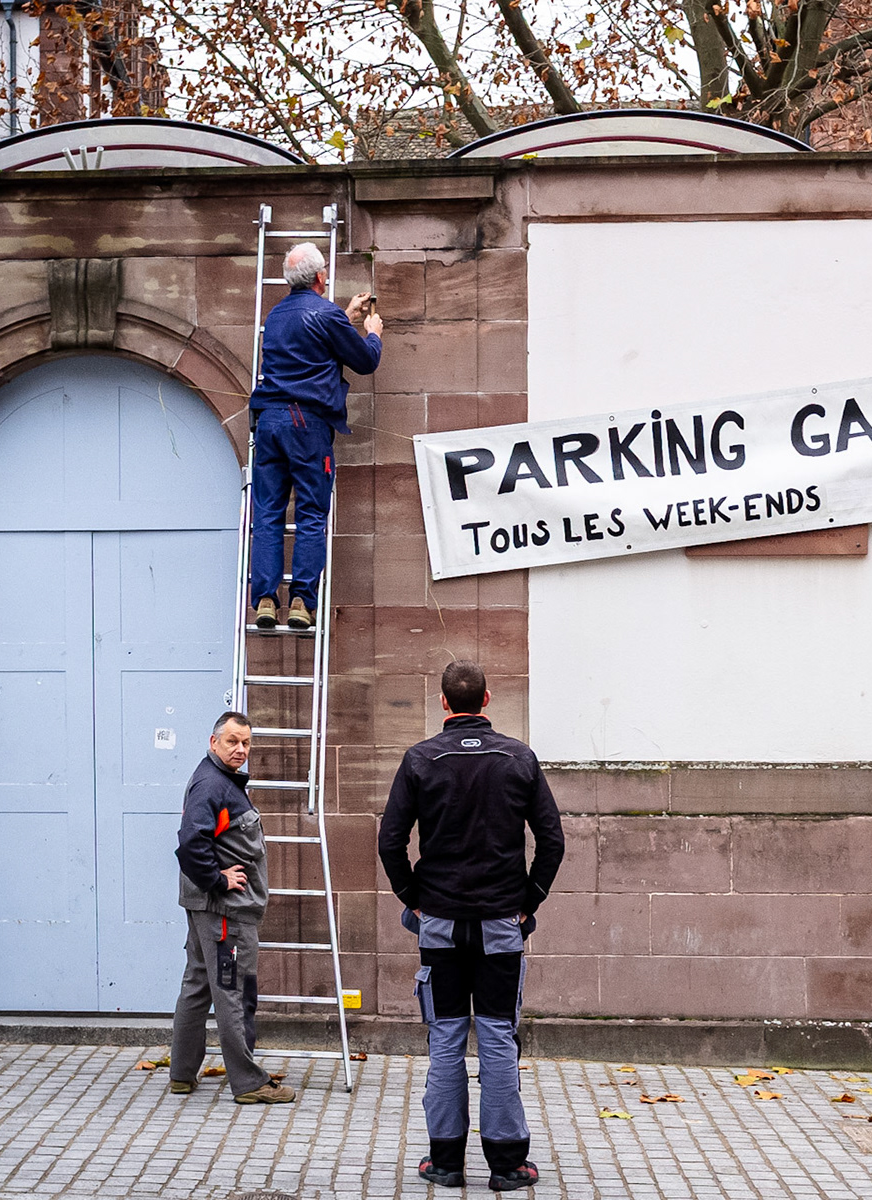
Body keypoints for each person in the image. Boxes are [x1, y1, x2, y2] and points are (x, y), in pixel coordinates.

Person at [379, 661, 565, 1191]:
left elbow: (391, 842)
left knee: (446, 1037)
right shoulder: (518, 758)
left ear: (444, 703)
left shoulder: (420, 760)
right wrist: (529, 902)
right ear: (486, 701)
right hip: (502, 923)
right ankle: (507, 1166)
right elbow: (552, 841)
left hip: (439, 924)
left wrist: (415, 900)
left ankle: (445, 1163)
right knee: (499, 1037)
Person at [248, 242, 382, 632]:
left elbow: (306, 347)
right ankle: (302, 601)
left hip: (269, 421)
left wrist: (345, 316)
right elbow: (365, 361)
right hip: (306, 425)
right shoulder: (325, 315)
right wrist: (371, 332)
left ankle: (267, 600)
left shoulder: (274, 316)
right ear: (322, 277)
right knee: (309, 514)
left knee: (268, 514)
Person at [168, 711, 293, 1104]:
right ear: (213, 742)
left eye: (246, 743)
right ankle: (249, 1082)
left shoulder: (221, 781)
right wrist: (220, 881)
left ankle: (182, 1074)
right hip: (222, 910)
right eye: (232, 742)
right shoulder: (212, 784)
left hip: (206, 906)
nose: (240, 750)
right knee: (232, 990)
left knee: (199, 983)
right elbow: (190, 843)